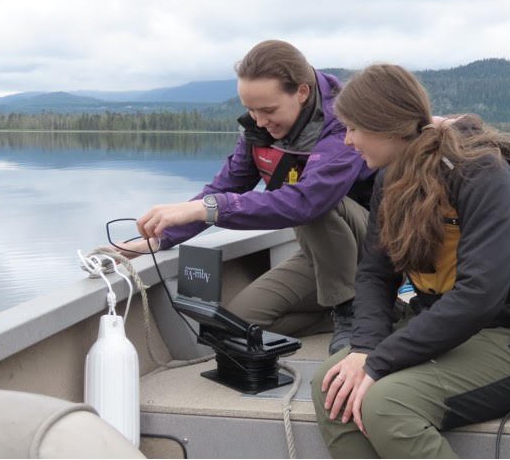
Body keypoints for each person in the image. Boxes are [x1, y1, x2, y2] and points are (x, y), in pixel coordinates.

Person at [311, 64, 510, 458]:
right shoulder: (390, 178)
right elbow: (376, 275)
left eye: (354, 128)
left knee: (387, 403)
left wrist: (380, 363)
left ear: (389, 127)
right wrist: (363, 347)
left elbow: (479, 295)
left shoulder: (483, 174)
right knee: (332, 385)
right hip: (438, 326)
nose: (346, 141)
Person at [120, 40, 374, 353]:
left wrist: (209, 209)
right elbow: (226, 186)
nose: (259, 121)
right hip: (323, 255)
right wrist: (158, 239)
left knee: (320, 205)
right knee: (239, 324)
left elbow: (307, 202)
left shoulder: (342, 123)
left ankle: (352, 311)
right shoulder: (260, 128)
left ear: (302, 93)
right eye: (250, 109)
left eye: (268, 110)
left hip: (376, 249)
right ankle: (373, 316)